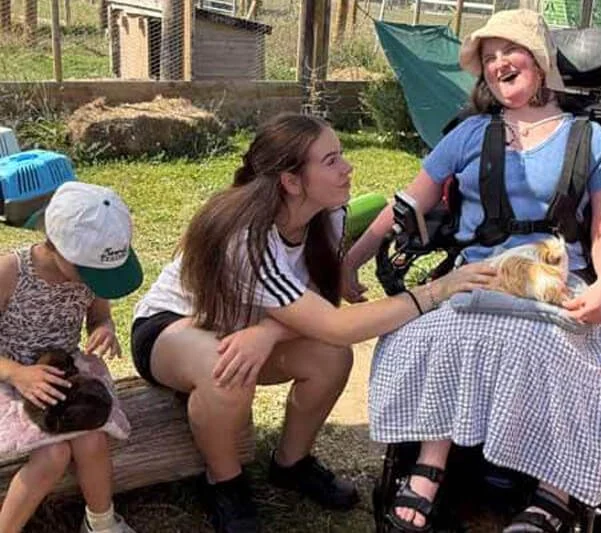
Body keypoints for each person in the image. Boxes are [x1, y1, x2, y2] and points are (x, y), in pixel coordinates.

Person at [342, 9, 601, 533]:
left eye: (510, 49)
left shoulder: (593, 141)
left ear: (540, 60)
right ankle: (430, 464)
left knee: (580, 366)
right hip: (476, 278)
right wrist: (351, 260)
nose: (498, 62)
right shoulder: (470, 134)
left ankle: (554, 491)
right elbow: (406, 206)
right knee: (430, 336)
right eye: (488, 55)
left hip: (554, 281)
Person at [130, 112, 495, 533]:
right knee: (225, 370)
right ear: (290, 181)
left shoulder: (328, 215)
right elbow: (338, 323)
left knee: (331, 357)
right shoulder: (245, 239)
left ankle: (291, 462)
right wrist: (437, 290)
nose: (347, 167)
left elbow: (321, 312)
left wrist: (267, 332)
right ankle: (224, 482)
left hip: (249, 324)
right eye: (331, 160)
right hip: (175, 327)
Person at [0, 182, 144, 533]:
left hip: (63, 371)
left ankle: (100, 522)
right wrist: (18, 373)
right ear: (58, 245)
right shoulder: (11, 272)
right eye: (94, 274)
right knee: (54, 455)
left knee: (92, 438)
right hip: (9, 376)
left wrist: (104, 328)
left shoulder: (91, 277)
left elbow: (99, 315)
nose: (97, 282)